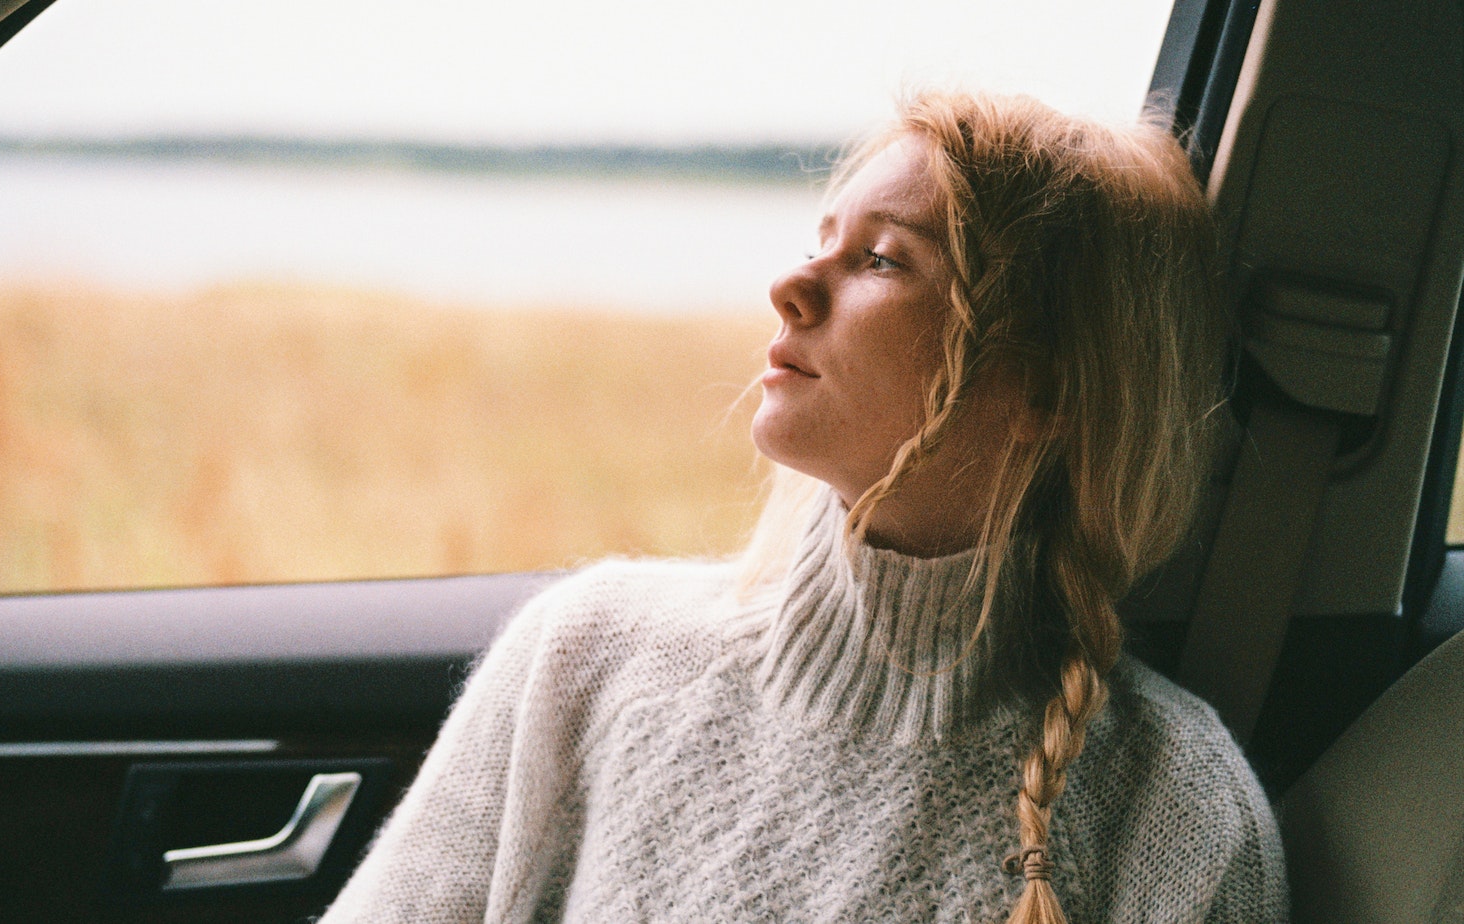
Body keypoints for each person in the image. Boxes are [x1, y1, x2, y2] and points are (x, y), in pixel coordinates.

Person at [320, 91, 1288, 924]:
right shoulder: (587, 651)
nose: (787, 288)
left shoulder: (1173, 811)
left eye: (879, 260)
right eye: (819, 241)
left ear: (1043, 387)